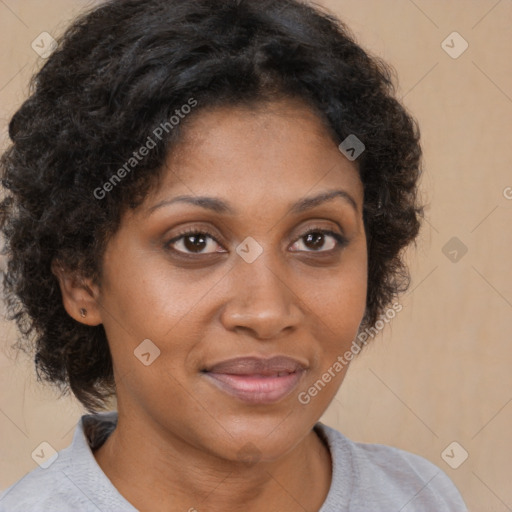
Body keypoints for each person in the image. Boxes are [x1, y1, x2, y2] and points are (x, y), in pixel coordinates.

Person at [0, 0, 468, 510]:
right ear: (82, 280)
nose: (266, 312)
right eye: (194, 242)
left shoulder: (420, 498)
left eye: (316, 239)